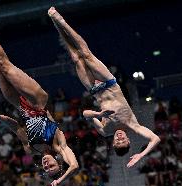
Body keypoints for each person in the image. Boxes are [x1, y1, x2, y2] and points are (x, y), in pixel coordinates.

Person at [0, 9, 79, 186]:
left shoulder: (32, 149)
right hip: (37, 101)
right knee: (4, 64)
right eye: (52, 166)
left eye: (46, 169)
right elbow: (75, 166)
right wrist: (59, 181)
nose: (47, 165)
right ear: (58, 160)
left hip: (20, 106)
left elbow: (17, 128)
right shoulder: (59, 145)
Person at [48, 7, 160, 167]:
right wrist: (141, 155)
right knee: (85, 54)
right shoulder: (132, 125)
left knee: (75, 57)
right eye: (123, 141)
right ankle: (61, 21)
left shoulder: (105, 130)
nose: (120, 138)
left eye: (118, 142)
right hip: (108, 82)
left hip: (93, 89)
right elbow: (155, 138)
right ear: (128, 139)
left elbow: (85, 114)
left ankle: (55, 24)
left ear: (113, 143)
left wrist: (99, 113)